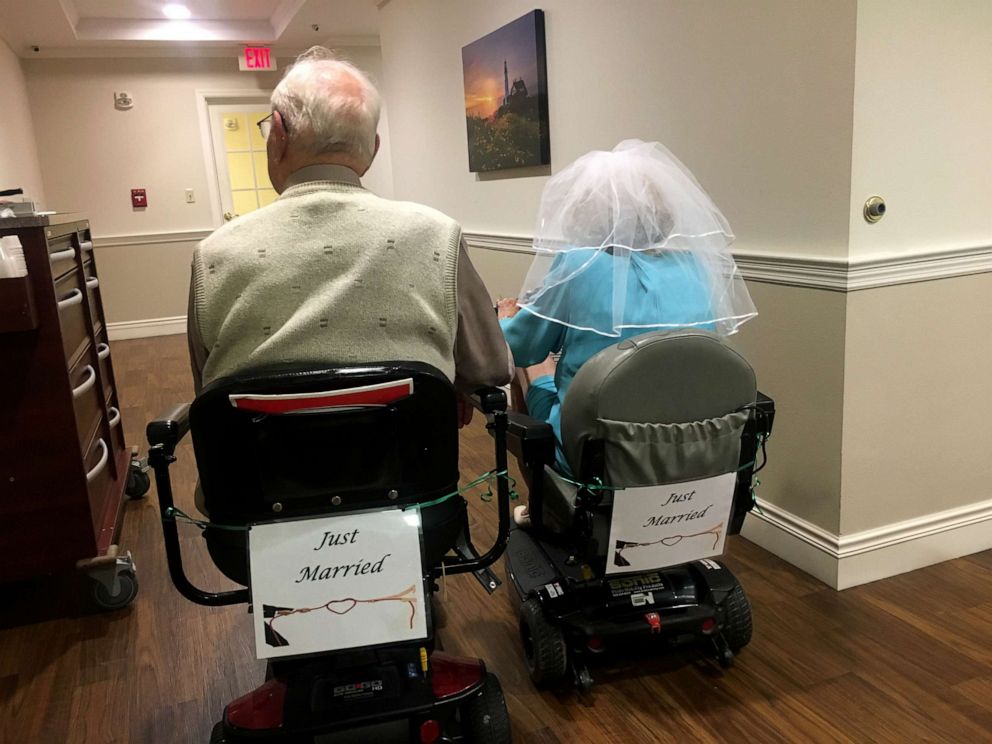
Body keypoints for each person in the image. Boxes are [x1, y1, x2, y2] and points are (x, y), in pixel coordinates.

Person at [188, 47, 511, 430]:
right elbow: (490, 369)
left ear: (277, 135)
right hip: (413, 482)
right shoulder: (438, 235)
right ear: (373, 149)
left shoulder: (212, 255)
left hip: (253, 485)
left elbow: (208, 388)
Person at [498, 140, 756, 512]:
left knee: (532, 365)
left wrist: (507, 317)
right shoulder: (695, 267)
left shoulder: (578, 264)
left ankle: (548, 507)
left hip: (598, 450)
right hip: (693, 445)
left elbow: (519, 348)